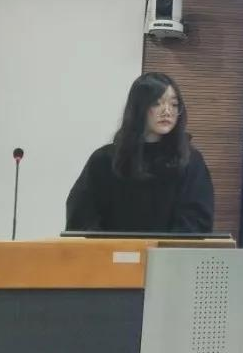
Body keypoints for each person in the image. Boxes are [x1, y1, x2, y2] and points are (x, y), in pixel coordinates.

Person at [66, 72, 214, 233]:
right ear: (138, 108)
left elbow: (197, 219)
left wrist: (163, 247)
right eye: (157, 103)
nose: (167, 111)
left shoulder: (190, 160)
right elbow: (82, 215)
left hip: (171, 249)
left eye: (174, 104)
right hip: (111, 249)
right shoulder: (104, 159)